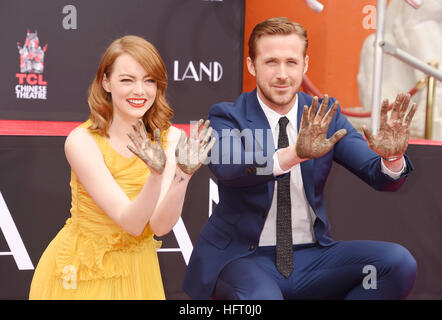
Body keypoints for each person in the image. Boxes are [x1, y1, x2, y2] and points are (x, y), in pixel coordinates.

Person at [183, 17, 418, 300]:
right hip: (244, 259)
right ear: (251, 65)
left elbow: (376, 174)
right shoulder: (228, 115)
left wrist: (392, 159)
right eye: (271, 62)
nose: (282, 74)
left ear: (305, 66)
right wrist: (293, 154)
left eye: (291, 63)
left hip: (313, 258)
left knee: (395, 264)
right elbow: (229, 168)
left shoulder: (325, 114)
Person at [29, 35, 215, 300]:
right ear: (106, 82)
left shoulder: (172, 138)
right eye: (127, 80)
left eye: (149, 80)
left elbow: (160, 227)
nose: (140, 91)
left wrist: (182, 175)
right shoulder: (82, 141)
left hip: (139, 269)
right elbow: (131, 222)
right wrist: (155, 174)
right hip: (83, 269)